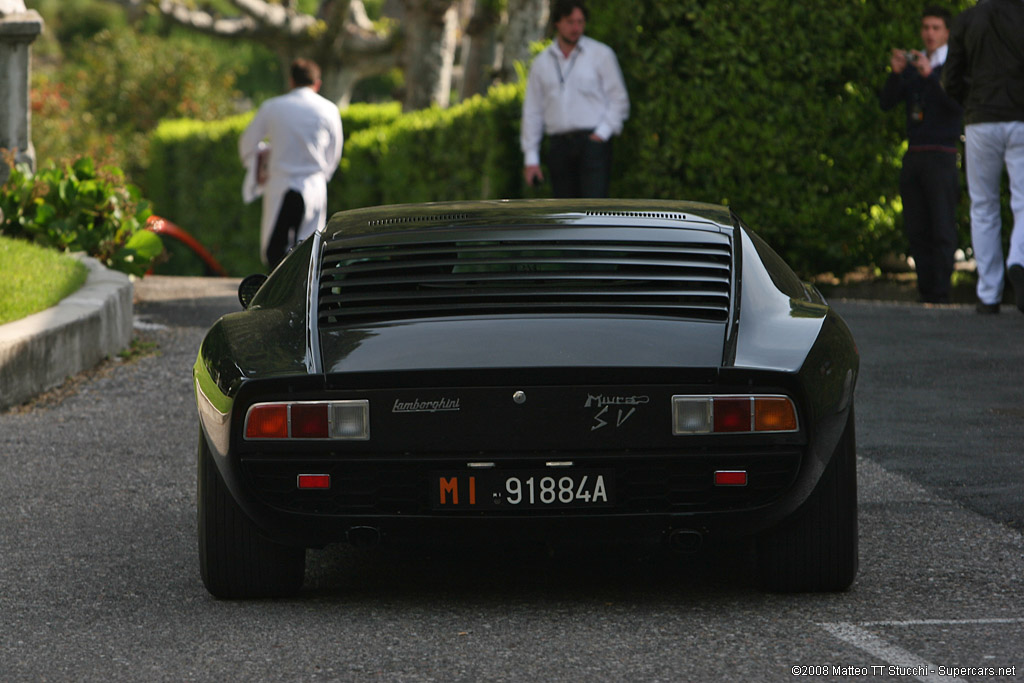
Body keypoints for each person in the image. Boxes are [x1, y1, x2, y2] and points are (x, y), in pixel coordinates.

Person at [942, 0, 1024, 314]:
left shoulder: (966, 19)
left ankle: (988, 293)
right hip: (1020, 117)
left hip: (980, 120)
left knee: (983, 205)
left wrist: (972, 102)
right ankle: (1019, 259)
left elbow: (951, 78)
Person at [879, 7, 963, 304]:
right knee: (917, 226)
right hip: (914, 155)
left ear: (947, 32)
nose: (929, 33)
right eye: (925, 27)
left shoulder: (953, 67)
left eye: (935, 28)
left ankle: (940, 292)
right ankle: (925, 290)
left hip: (941, 155)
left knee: (941, 225)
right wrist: (897, 73)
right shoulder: (917, 69)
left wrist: (930, 77)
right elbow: (887, 102)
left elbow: (956, 107)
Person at [239, 58, 343, 269]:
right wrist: (322, 175)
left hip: (280, 183)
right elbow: (334, 153)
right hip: (314, 185)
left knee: (274, 251)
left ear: (291, 81)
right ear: (317, 83)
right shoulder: (329, 109)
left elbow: (247, 144)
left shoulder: (273, 107)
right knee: (311, 252)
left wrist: (263, 157)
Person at [520, 0, 629, 198]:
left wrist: (601, 135)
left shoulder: (601, 54)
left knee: (594, 212)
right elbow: (533, 111)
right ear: (557, 23)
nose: (576, 28)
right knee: (565, 214)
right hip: (558, 146)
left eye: (580, 22)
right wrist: (531, 158)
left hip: (593, 145)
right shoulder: (541, 63)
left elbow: (619, 99)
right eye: (570, 22)